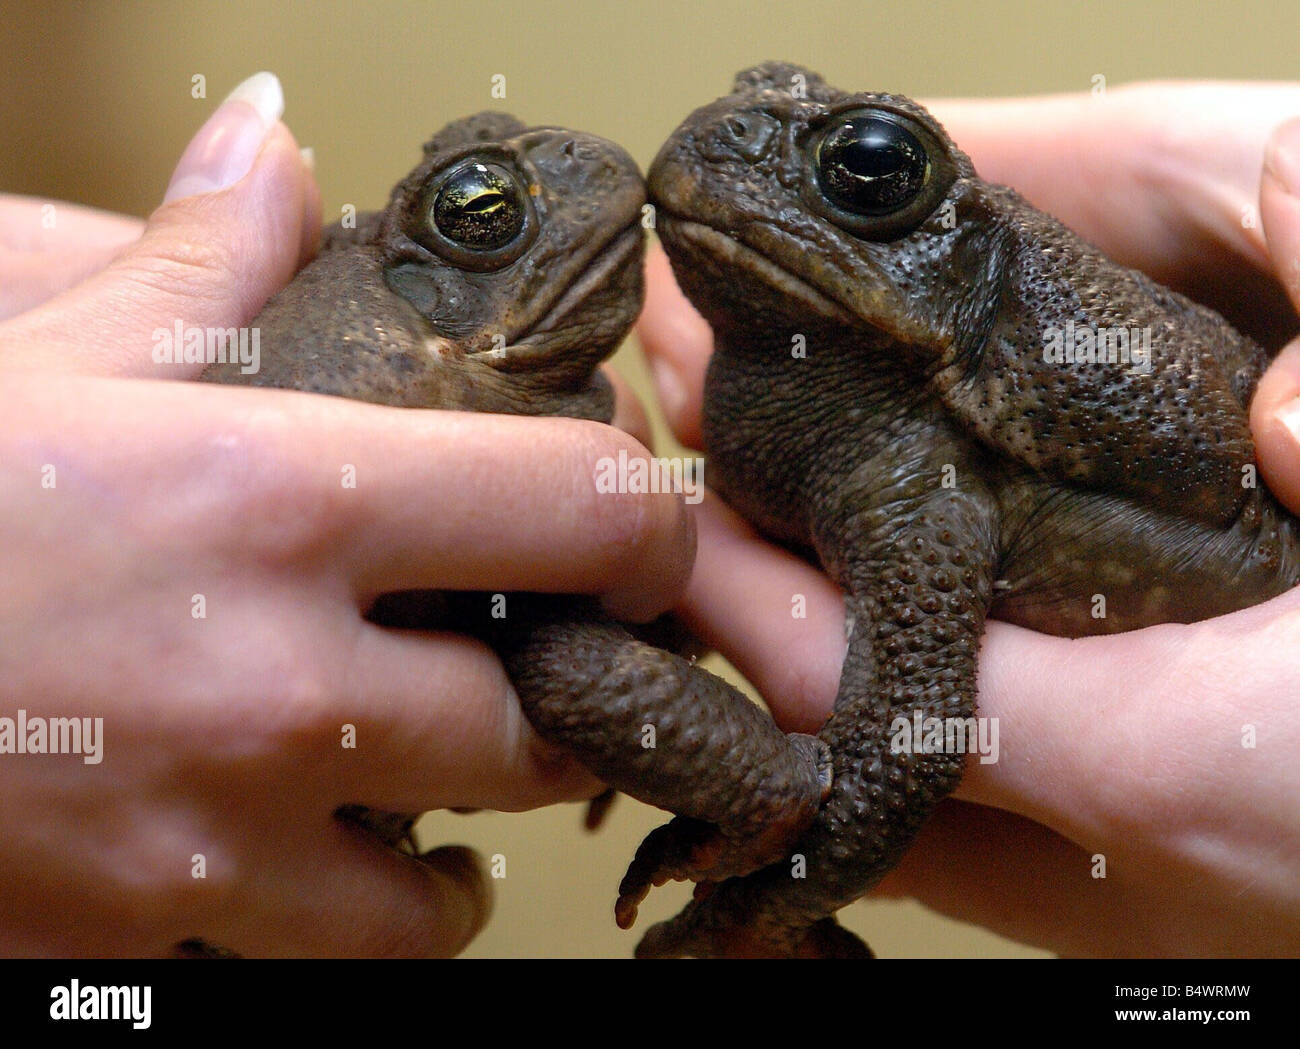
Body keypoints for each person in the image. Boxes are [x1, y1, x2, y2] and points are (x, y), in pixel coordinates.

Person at [1, 73, 1296, 957]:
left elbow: (904, 724)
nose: (719, 147)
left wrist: (754, 906)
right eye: (475, 215)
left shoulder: (899, 443)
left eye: (863, 168)